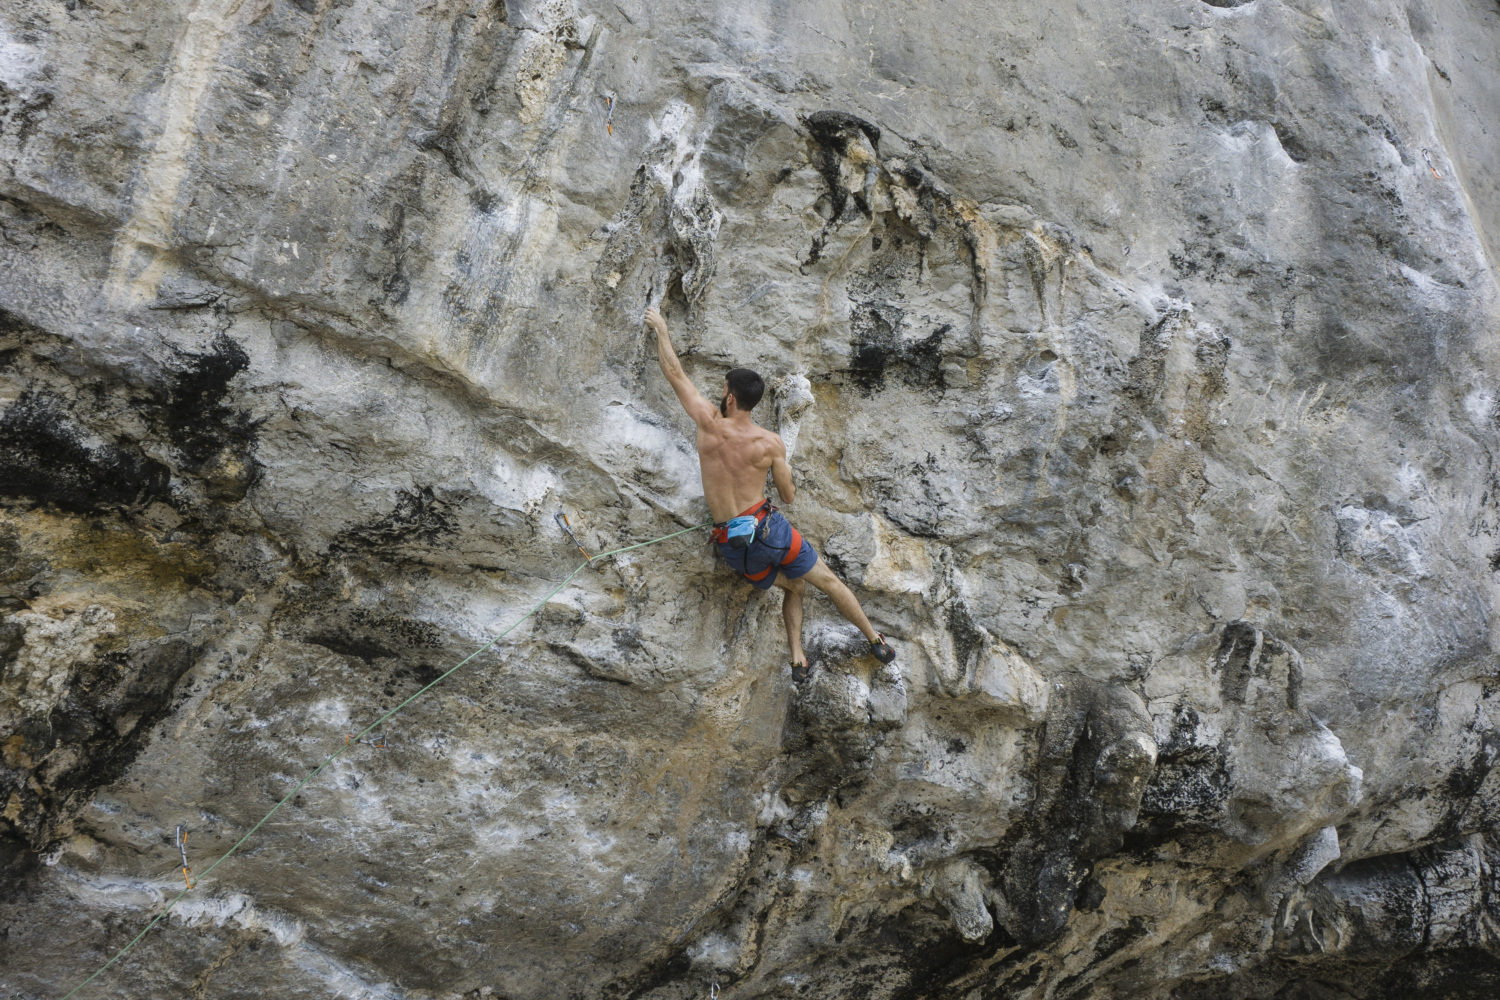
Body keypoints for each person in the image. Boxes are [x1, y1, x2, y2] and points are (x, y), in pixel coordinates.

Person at [643, 306, 896, 682]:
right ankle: (875, 640)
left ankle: (798, 657)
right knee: (826, 581)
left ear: (729, 398)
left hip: (733, 544)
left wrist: (662, 330)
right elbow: (788, 496)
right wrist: (784, 471)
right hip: (769, 531)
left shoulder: (709, 426)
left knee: (793, 587)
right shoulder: (770, 443)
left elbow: (675, 373)